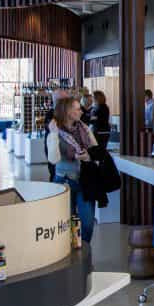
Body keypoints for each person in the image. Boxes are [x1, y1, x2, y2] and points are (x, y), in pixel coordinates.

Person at [47, 97, 97, 244]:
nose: (81, 111)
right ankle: (69, 250)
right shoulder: (54, 131)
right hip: (64, 181)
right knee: (64, 224)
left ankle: (84, 249)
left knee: (87, 223)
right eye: (77, 109)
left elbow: (96, 151)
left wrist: (88, 156)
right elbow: (53, 159)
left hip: (85, 180)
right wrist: (53, 134)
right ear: (68, 112)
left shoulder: (83, 128)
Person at [44, 89, 70, 181]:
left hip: (67, 151)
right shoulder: (50, 114)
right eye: (66, 100)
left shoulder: (68, 113)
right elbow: (52, 129)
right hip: (54, 148)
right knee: (54, 172)